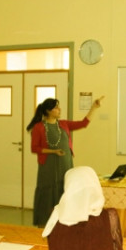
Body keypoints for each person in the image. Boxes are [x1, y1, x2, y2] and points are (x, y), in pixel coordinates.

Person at [26, 96, 103, 227]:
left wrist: (94, 107)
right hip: (48, 165)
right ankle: (45, 221)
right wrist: (53, 151)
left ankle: (63, 220)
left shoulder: (63, 124)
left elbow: (83, 123)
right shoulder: (39, 127)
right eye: (56, 107)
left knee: (65, 188)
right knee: (48, 191)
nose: (59, 109)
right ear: (48, 111)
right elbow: (35, 148)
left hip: (65, 163)